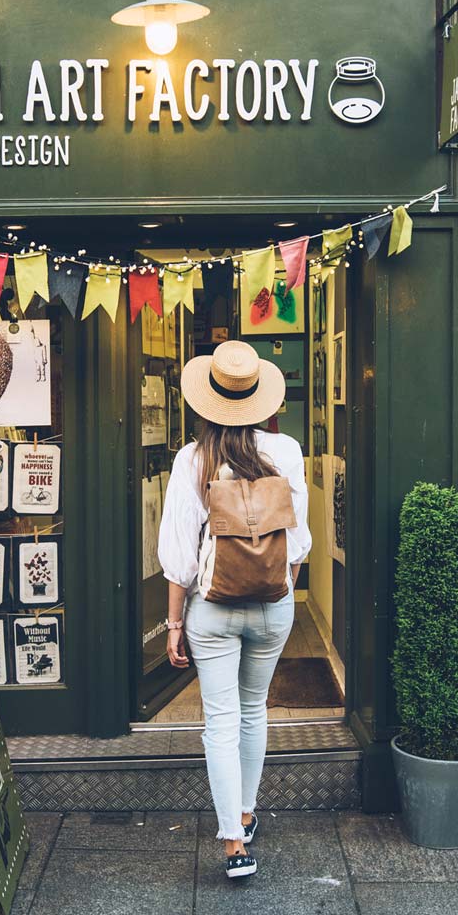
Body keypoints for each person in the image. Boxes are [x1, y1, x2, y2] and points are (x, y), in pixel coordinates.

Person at [158, 341, 311, 881]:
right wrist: (280, 587)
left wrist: (174, 624)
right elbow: (298, 543)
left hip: (213, 609)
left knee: (219, 720)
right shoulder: (287, 452)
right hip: (274, 607)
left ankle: (232, 844)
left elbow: (178, 557)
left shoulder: (192, 459)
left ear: (207, 402)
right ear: (261, 400)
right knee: (254, 711)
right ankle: (247, 813)